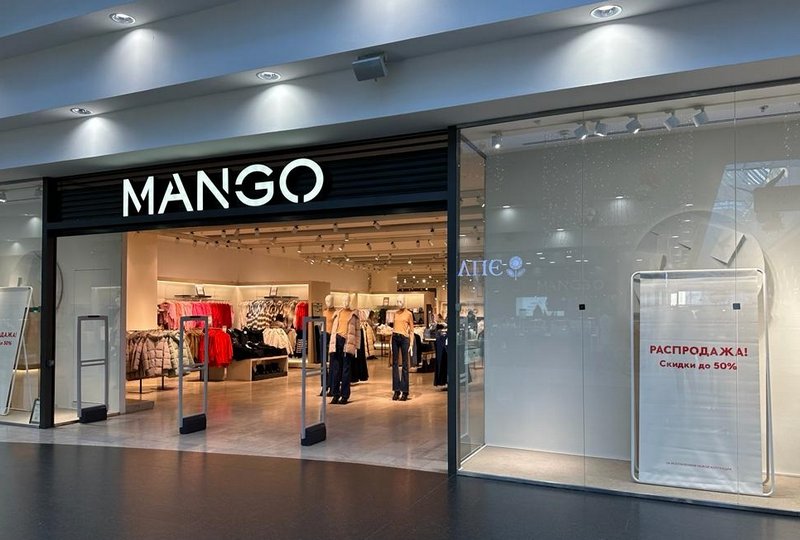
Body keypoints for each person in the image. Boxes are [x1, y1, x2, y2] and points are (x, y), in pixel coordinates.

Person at [328, 294, 360, 405]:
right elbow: (333, 331)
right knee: (336, 370)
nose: (345, 302)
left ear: (350, 302)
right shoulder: (337, 314)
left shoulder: (354, 315)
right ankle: (335, 394)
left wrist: (357, 347)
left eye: (347, 300)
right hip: (337, 342)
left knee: (346, 370)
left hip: (347, 343)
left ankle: (345, 396)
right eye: (344, 300)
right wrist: (331, 345)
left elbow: (357, 332)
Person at [391, 295, 414, 401]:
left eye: (400, 301)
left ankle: (405, 391)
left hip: (404, 338)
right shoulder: (395, 313)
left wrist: (411, 344)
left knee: (405, 364)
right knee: (395, 364)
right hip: (395, 338)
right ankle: (396, 390)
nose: (398, 303)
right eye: (397, 301)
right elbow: (394, 328)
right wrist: (391, 343)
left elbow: (412, 330)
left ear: (404, 302)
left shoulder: (409, 314)